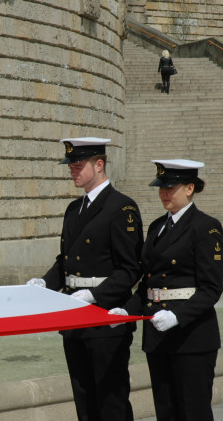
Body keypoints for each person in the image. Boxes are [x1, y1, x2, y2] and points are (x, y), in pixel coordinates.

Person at [27, 137, 144, 421]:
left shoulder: (121, 208)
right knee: (84, 401)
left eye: (78, 166)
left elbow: (131, 269)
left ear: (99, 164)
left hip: (106, 319)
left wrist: (94, 295)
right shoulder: (73, 210)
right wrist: (44, 283)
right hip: (73, 317)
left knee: (111, 404)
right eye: (71, 166)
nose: (73, 171)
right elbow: (64, 261)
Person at [109, 159, 223, 421]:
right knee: (166, 412)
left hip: (191, 337)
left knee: (193, 412)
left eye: (170, 187)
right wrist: (125, 311)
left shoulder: (205, 227)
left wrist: (178, 316)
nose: (163, 193)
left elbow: (211, 288)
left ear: (189, 188)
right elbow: (149, 283)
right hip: (158, 335)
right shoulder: (157, 227)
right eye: (161, 187)